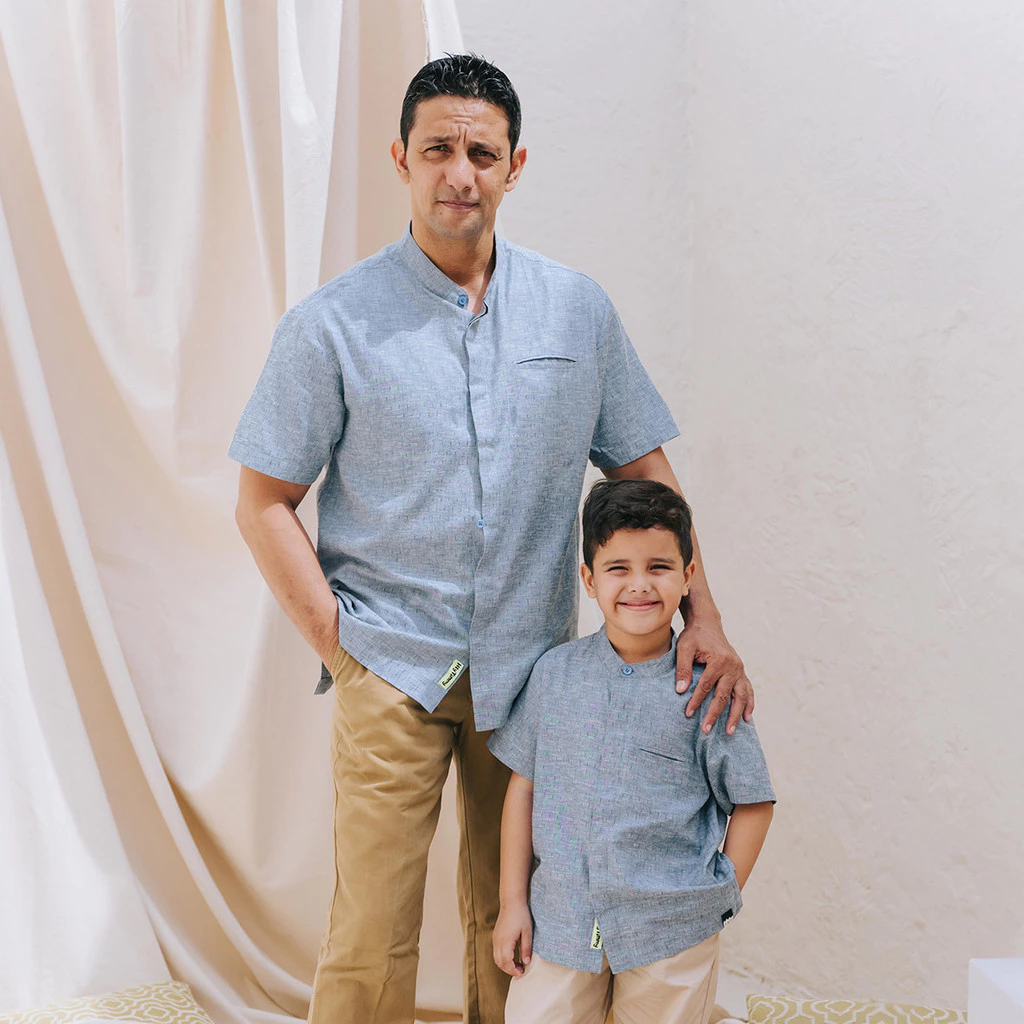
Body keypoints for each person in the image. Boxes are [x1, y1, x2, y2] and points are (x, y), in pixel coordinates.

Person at [230, 54, 755, 1024]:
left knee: (520, 918)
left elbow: (644, 476)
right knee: (372, 923)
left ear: (516, 166)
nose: (458, 172)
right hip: (390, 657)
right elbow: (262, 499)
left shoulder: (577, 311)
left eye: (481, 151)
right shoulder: (331, 325)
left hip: (528, 669)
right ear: (401, 158)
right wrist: (338, 647)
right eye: (437, 149)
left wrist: (705, 621)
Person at [489, 479, 775, 1024]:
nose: (639, 585)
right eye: (619, 568)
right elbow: (522, 788)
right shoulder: (554, 676)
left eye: (659, 567)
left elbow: (754, 801)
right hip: (561, 923)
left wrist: (718, 897)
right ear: (589, 580)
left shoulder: (709, 687)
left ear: (687, 577)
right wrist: (512, 904)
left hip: (670, 933)